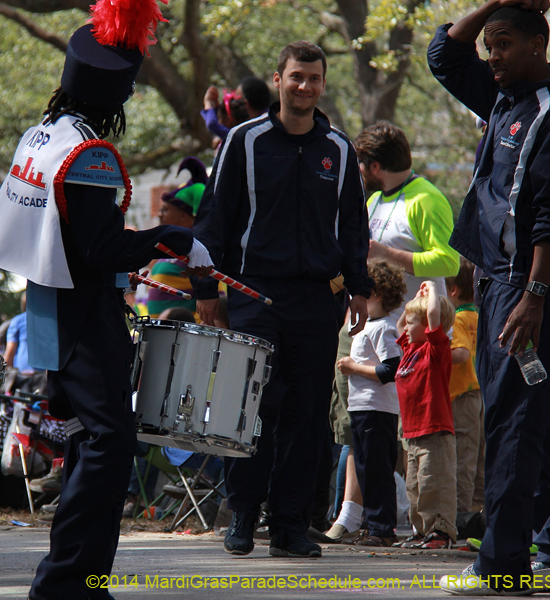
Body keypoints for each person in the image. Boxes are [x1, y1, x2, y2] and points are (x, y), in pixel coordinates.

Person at [0, 2, 208, 596]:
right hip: (84, 313)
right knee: (110, 442)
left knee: (84, 435)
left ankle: (83, 579)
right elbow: (101, 249)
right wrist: (170, 238)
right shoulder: (91, 153)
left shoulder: (42, 135)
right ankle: (66, 579)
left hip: (47, 306)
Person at [428, 1, 550, 591]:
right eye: (490, 45)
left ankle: (501, 567)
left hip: (533, 294)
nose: (492, 56)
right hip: (499, 285)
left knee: (513, 424)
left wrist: (534, 296)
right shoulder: (502, 96)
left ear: (537, 45)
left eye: (503, 44)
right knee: (534, 423)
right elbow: (444, 57)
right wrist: (495, 2)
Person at [193, 40, 371, 558]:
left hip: (317, 299)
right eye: (296, 76)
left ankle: (289, 526)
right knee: (253, 404)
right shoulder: (243, 140)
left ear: (322, 83)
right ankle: (243, 514)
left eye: (313, 78)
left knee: (306, 413)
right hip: (254, 293)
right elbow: (213, 218)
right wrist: (206, 289)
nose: (305, 86)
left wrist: (359, 285)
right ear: (278, 80)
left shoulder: (338, 148)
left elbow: (353, 225)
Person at [335, 261, 405, 547]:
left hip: (377, 410)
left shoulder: (385, 328)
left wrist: (353, 367)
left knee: (377, 470)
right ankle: (373, 525)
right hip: (362, 409)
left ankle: (382, 529)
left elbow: (391, 370)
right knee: (365, 468)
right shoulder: (369, 326)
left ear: (376, 293)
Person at [354, 121, 460, 302]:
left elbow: (449, 263)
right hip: (376, 318)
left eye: (360, 163)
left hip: (419, 319)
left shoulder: (427, 199)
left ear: (375, 167)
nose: (358, 170)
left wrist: (388, 255)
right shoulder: (374, 200)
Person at [393, 282, 458, 550]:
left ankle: (441, 531)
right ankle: (421, 530)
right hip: (412, 433)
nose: (406, 328)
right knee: (415, 486)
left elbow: (432, 315)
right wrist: (415, 299)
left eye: (412, 323)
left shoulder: (435, 349)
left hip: (435, 431)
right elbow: (400, 325)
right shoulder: (410, 350)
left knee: (434, 484)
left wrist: (431, 288)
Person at [445, 258, 485, 516]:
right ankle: (479, 508)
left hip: (461, 397)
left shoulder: (457, 319)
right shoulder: (480, 316)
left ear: (453, 290)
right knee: (478, 455)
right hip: (479, 393)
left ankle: (461, 514)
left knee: (463, 457)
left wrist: (432, 354)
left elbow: (459, 353)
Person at [147, 157, 207, 318]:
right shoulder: (170, 248)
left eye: (166, 210)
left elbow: (214, 299)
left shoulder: (198, 250)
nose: (159, 215)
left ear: (183, 215)